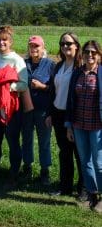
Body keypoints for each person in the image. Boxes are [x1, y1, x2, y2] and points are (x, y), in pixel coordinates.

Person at [0, 25, 28, 188]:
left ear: (10, 41)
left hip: (10, 108)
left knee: (12, 140)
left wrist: (5, 88)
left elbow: (24, 84)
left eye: (4, 40)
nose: (1, 42)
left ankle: (13, 175)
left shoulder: (17, 60)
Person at [66, 40, 102, 212]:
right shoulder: (77, 73)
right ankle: (92, 194)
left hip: (97, 126)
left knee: (99, 162)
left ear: (99, 55)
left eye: (93, 52)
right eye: (87, 51)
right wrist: (69, 125)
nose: (89, 55)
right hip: (78, 124)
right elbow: (70, 100)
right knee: (85, 161)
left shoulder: (101, 73)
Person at [46, 31, 83, 196]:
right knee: (64, 153)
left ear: (76, 45)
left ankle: (83, 189)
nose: (65, 46)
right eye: (62, 44)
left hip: (75, 116)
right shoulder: (59, 65)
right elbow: (53, 91)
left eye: (69, 43)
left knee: (80, 154)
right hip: (58, 114)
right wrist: (49, 114)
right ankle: (65, 187)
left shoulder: (81, 67)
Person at [21, 36, 55, 185]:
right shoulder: (23, 63)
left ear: (42, 47)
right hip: (26, 110)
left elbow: (55, 89)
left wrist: (43, 87)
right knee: (26, 139)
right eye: (31, 46)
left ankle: (44, 171)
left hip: (43, 110)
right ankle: (27, 168)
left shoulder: (50, 65)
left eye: (37, 46)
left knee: (44, 142)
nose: (34, 49)